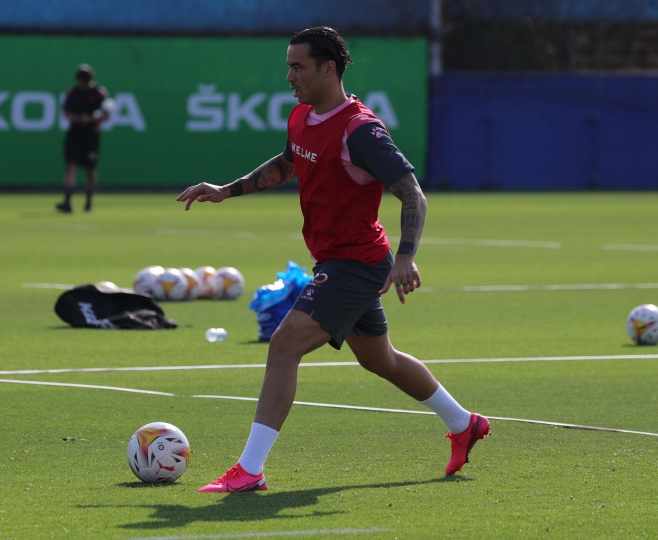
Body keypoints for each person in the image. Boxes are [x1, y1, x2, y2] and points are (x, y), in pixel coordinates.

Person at [176, 26, 490, 493]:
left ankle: (250, 469)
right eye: (288, 66)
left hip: (355, 263)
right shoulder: (302, 115)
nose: (289, 76)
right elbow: (287, 163)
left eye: (297, 67)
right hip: (337, 259)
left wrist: (406, 257)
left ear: (328, 69)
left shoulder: (360, 130)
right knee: (381, 359)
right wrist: (228, 190)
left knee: (284, 345)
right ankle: (464, 423)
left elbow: (413, 194)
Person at [56, 64, 112, 213]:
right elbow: (66, 112)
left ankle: (88, 202)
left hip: (91, 136)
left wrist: (90, 119)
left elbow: (107, 114)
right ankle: (67, 201)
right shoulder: (73, 93)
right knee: (71, 166)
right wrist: (77, 118)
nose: (83, 83)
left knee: (90, 170)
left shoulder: (100, 93)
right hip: (75, 135)